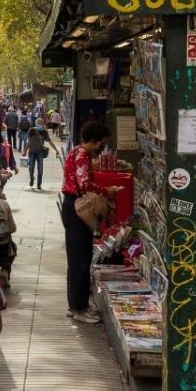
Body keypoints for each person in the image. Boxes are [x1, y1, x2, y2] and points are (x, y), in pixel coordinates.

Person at [61, 121, 120, 324]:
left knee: (77, 257)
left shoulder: (77, 152)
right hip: (76, 208)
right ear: (94, 141)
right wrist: (106, 191)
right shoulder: (81, 156)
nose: (102, 147)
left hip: (72, 206)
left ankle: (75, 304)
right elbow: (84, 183)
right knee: (80, 258)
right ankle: (79, 308)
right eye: (102, 143)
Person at [24, 117, 62, 190]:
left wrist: (56, 150)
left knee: (40, 169)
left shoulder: (44, 132)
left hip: (40, 152)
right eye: (38, 123)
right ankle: (32, 178)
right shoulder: (31, 130)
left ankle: (39, 184)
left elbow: (50, 142)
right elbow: (28, 141)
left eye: (41, 123)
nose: (40, 124)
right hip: (31, 152)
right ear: (36, 123)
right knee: (31, 168)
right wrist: (25, 150)